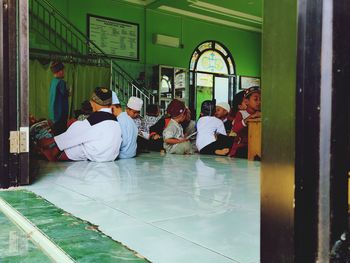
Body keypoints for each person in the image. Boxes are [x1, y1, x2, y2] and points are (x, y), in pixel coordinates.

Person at [39, 87, 122, 162]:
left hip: (99, 156)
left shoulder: (96, 118)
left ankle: (55, 153)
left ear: (92, 102)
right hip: (110, 156)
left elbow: (74, 133)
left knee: (77, 136)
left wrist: (51, 141)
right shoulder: (115, 119)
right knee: (81, 131)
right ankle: (54, 149)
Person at [229, 86, 261, 158]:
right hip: (241, 147)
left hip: (256, 146)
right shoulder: (241, 113)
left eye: (261, 99)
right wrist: (249, 118)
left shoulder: (261, 114)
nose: (259, 102)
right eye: (255, 99)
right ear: (246, 101)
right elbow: (235, 129)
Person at [111, 93, 139, 159]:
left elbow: (123, 142)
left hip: (124, 157)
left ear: (112, 107)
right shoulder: (127, 118)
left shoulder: (120, 120)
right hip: (131, 155)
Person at [49, 61, 69, 135]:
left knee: (55, 134)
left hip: (53, 113)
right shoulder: (61, 82)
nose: (64, 72)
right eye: (63, 71)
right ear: (60, 71)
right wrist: (68, 91)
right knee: (61, 135)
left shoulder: (53, 82)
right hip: (60, 114)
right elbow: (65, 93)